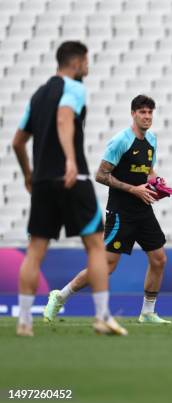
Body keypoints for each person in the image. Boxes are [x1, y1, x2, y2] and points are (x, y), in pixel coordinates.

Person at [11, 41, 126, 336]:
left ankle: (24, 322)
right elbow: (64, 118)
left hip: (42, 182)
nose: (88, 66)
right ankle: (102, 317)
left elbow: (17, 142)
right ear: (75, 63)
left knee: (36, 250)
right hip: (73, 180)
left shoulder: (37, 95)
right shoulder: (74, 88)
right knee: (96, 247)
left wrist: (28, 175)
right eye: (86, 61)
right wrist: (72, 161)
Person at [43, 95, 172, 324]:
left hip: (143, 210)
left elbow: (148, 171)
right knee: (106, 266)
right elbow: (101, 175)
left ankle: (147, 312)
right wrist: (134, 190)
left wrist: (156, 183)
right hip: (121, 212)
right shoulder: (121, 140)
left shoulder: (151, 139)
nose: (147, 116)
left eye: (150, 112)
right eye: (142, 112)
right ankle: (60, 296)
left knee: (159, 258)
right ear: (133, 113)